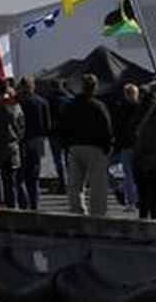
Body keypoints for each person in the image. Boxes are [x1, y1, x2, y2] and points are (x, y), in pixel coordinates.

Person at [61, 74, 113, 216]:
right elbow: (106, 129)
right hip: (95, 148)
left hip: (74, 147)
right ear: (95, 87)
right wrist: (108, 147)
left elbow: (63, 126)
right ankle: (97, 214)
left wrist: (67, 145)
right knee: (98, 185)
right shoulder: (99, 106)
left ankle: (77, 211)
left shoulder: (70, 106)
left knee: (75, 184)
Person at [16, 76, 52, 210]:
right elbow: (47, 126)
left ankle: (23, 204)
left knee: (20, 175)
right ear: (33, 86)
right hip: (37, 140)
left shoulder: (17, 102)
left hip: (21, 140)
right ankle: (34, 204)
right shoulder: (42, 102)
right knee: (34, 175)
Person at [112, 83, 144, 210]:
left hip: (125, 144)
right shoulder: (141, 108)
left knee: (128, 174)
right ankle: (137, 198)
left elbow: (117, 127)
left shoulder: (121, 109)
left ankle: (129, 199)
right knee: (137, 173)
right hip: (139, 145)